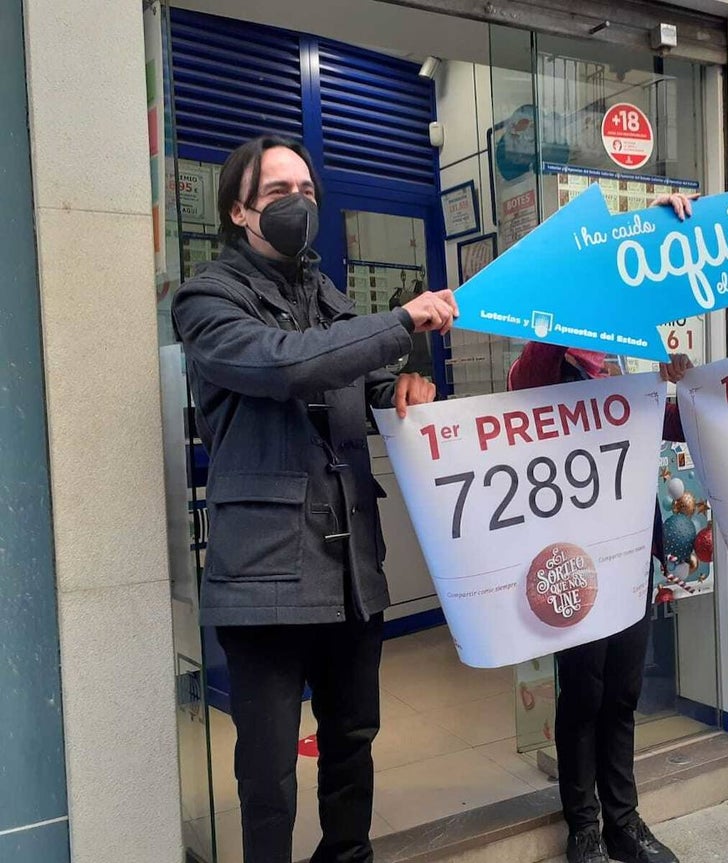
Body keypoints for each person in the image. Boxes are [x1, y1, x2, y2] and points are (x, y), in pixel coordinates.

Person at [172, 135, 458, 863]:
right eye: (277, 193)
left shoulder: (327, 296)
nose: (297, 204)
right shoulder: (206, 299)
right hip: (263, 575)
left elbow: (359, 381)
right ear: (239, 211)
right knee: (268, 772)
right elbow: (288, 366)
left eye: (306, 191)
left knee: (352, 740)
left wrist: (399, 387)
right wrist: (400, 323)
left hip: (351, 569)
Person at [507, 193, 695, 863]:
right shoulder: (551, 350)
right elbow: (523, 387)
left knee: (623, 690)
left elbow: (671, 426)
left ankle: (625, 821)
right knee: (582, 691)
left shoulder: (638, 343)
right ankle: (583, 825)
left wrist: (683, 388)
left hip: (633, 547)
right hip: (575, 552)